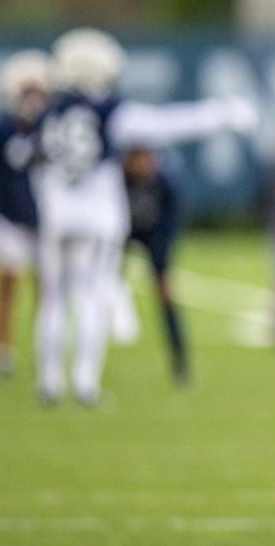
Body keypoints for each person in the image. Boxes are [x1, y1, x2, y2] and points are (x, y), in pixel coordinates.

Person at [32, 28, 257, 406]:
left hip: (56, 214)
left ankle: (49, 382)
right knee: (91, 295)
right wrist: (225, 113)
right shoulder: (110, 112)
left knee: (53, 299)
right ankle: (85, 383)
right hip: (96, 216)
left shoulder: (49, 115)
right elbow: (166, 124)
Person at [0, 49, 51, 377]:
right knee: (8, 281)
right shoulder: (0, 130)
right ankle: (4, 351)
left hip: (41, 219)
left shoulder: (51, 127)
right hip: (8, 218)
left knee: (47, 285)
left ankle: (44, 346)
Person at [121, 146, 189, 383]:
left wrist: (160, 258)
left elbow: (170, 223)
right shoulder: (118, 180)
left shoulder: (164, 183)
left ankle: (180, 360)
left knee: (165, 293)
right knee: (97, 288)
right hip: (121, 234)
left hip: (154, 236)